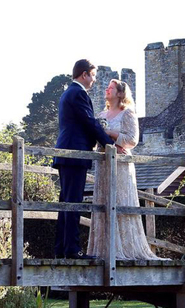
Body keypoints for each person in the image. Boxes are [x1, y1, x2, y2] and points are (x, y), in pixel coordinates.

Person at [87, 79, 158, 260]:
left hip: (120, 165)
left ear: (120, 93)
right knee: (103, 202)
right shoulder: (102, 114)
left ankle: (125, 250)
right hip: (103, 164)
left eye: (111, 88)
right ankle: (102, 250)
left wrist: (109, 133)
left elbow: (132, 140)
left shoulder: (127, 113)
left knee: (120, 201)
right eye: (107, 87)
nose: (107, 89)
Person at [53, 59, 115, 260]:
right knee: (73, 203)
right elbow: (89, 122)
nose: (95, 80)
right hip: (74, 153)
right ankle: (72, 251)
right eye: (93, 75)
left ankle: (62, 249)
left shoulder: (68, 92)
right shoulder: (78, 93)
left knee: (66, 202)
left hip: (68, 153)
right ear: (84, 74)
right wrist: (109, 144)